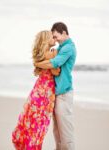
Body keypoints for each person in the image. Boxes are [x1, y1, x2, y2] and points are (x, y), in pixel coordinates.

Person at [12, 30, 60, 150]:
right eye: (51, 37)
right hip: (45, 95)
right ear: (46, 40)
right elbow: (56, 71)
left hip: (37, 92)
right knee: (39, 126)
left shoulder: (41, 55)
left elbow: (42, 65)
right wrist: (55, 58)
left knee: (32, 124)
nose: (54, 38)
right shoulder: (51, 53)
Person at [35, 22, 77, 150]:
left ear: (64, 32)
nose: (55, 39)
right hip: (57, 93)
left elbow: (55, 63)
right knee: (57, 131)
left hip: (64, 93)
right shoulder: (61, 47)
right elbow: (49, 55)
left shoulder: (68, 48)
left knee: (65, 132)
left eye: (56, 36)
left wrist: (38, 63)